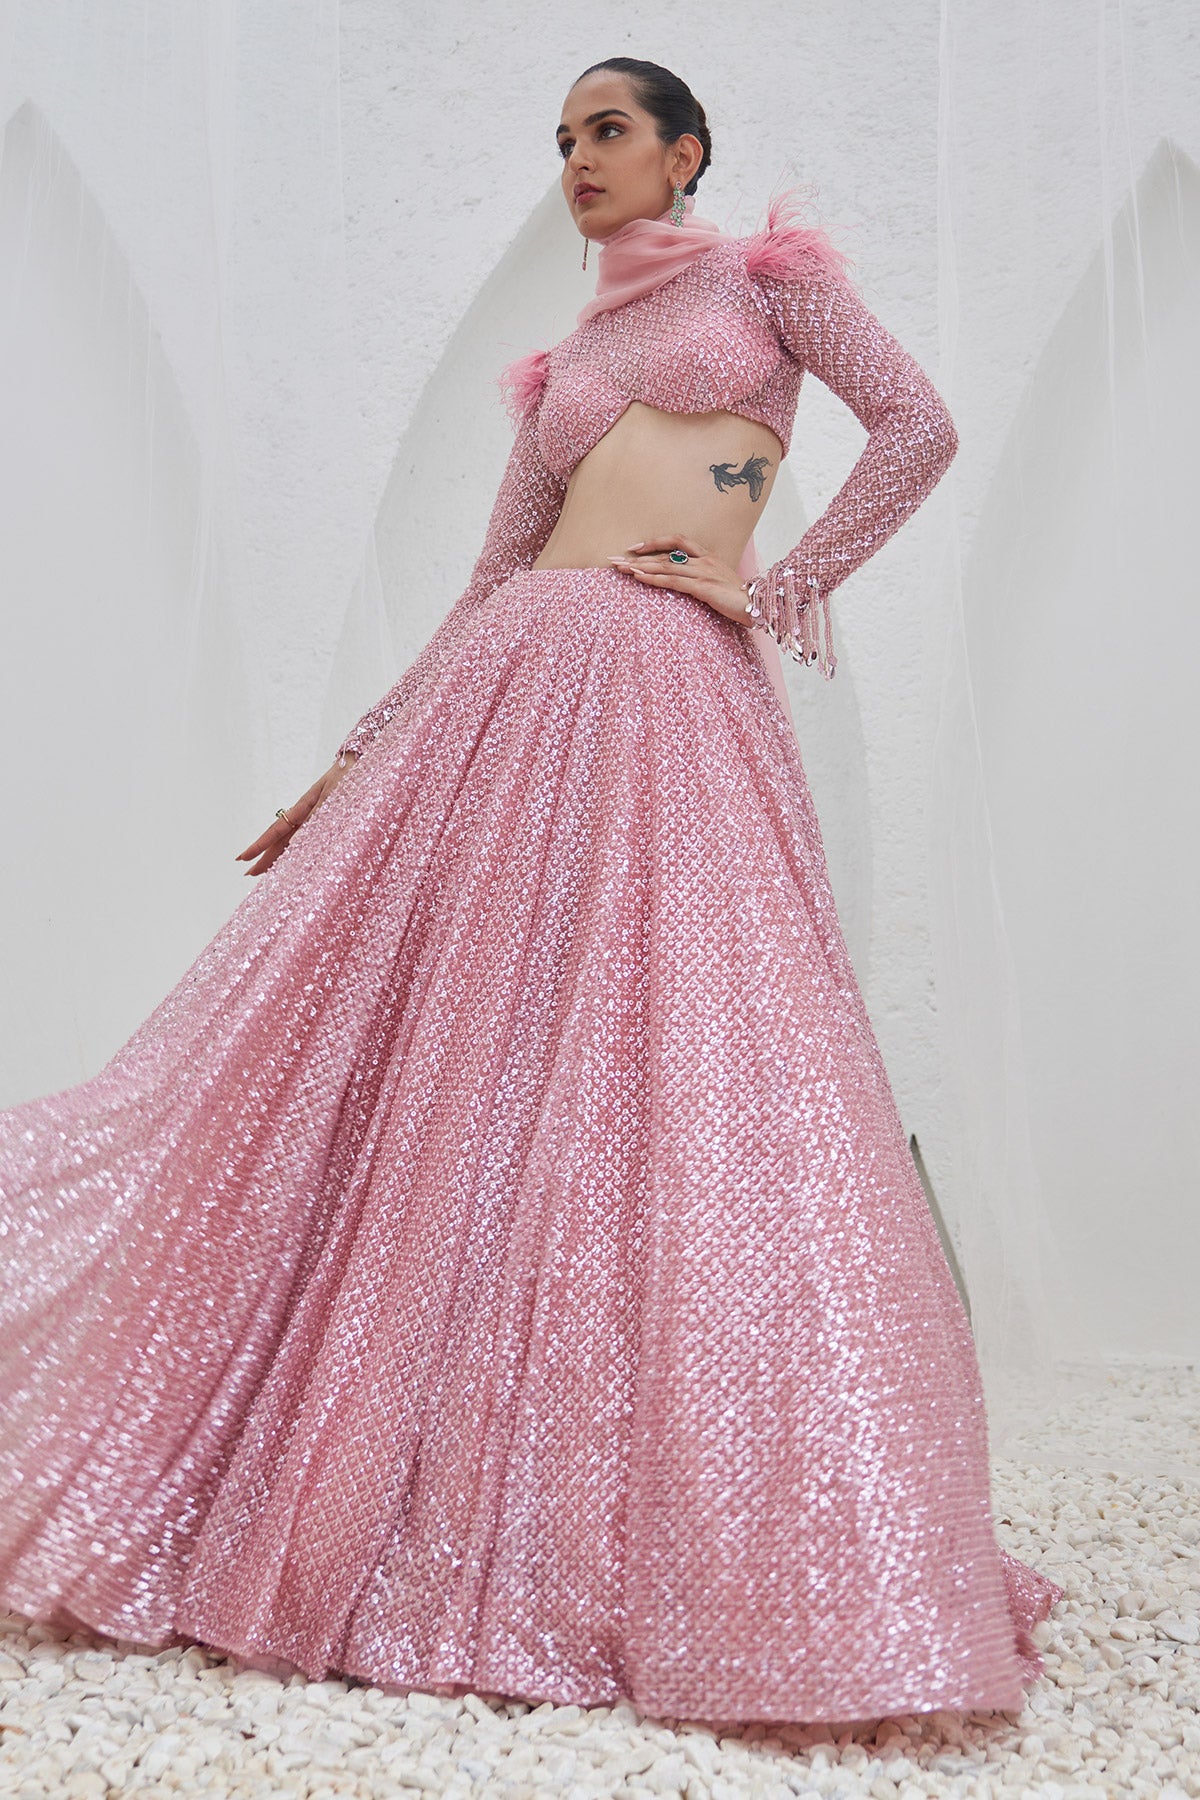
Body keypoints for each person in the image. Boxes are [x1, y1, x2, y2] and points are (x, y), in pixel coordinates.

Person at [0, 56, 1062, 1724]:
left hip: (669, 692)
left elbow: (919, 426)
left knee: (675, 1055)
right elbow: (490, 577)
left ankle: (693, 1507)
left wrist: (777, 583)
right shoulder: (564, 363)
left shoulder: (769, 289)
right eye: (564, 139)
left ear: (685, 153)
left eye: (609, 131)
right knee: (456, 1067)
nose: (580, 158)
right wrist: (351, 762)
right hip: (506, 697)